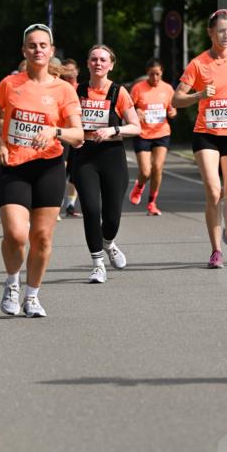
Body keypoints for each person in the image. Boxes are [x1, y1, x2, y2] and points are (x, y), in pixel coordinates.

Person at [0, 23, 83, 317]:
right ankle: (12, 282)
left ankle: (32, 295)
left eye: (43, 45)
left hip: (49, 167)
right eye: (32, 45)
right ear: (24, 51)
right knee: (15, 234)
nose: (38, 50)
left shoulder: (63, 89)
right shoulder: (11, 84)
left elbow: (79, 135)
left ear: (51, 51)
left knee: (42, 237)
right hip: (15, 166)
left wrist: (55, 131)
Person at [172, 9, 227, 268]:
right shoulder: (198, 64)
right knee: (213, 191)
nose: (226, 35)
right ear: (210, 32)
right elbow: (176, 99)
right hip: (206, 133)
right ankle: (216, 250)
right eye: (221, 30)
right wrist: (199, 95)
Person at [73, 45, 141, 283]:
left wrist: (114, 129)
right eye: (93, 59)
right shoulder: (76, 91)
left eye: (103, 60)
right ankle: (97, 263)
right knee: (91, 209)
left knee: (112, 215)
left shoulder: (118, 92)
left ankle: (109, 243)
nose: (98, 63)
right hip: (84, 156)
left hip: (112, 155)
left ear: (111, 64)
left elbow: (136, 126)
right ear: (87, 63)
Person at [129, 58, 177, 215]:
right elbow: (128, 108)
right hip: (142, 133)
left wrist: (172, 112)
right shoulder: (138, 88)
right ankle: (139, 187)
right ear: (147, 74)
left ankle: (152, 203)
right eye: (151, 75)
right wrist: (136, 112)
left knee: (157, 168)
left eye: (158, 74)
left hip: (161, 133)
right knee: (145, 172)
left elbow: (173, 109)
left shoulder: (168, 89)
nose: (155, 78)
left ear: (162, 73)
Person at [59, 58, 82, 218]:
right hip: (63, 135)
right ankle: (55, 206)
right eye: (65, 70)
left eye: (71, 70)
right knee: (61, 170)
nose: (69, 73)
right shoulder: (60, 88)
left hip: (79, 135)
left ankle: (70, 206)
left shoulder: (82, 89)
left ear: (77, 71)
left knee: (76, 172)